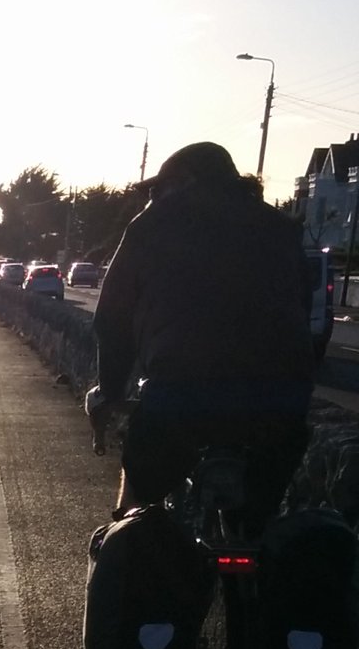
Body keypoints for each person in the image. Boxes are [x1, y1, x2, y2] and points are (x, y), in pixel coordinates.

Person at [88, 140, 315, 532]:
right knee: (257, 526)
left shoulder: (153, 223)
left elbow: (113, 319)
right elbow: (302, 312)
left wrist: (109, 391)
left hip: (180, 397)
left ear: (185, 180)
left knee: (138, 510)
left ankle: (125, 541)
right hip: (280, 405)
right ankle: (255, 567)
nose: (153, 199)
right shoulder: (280, 226)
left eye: (158, 189)